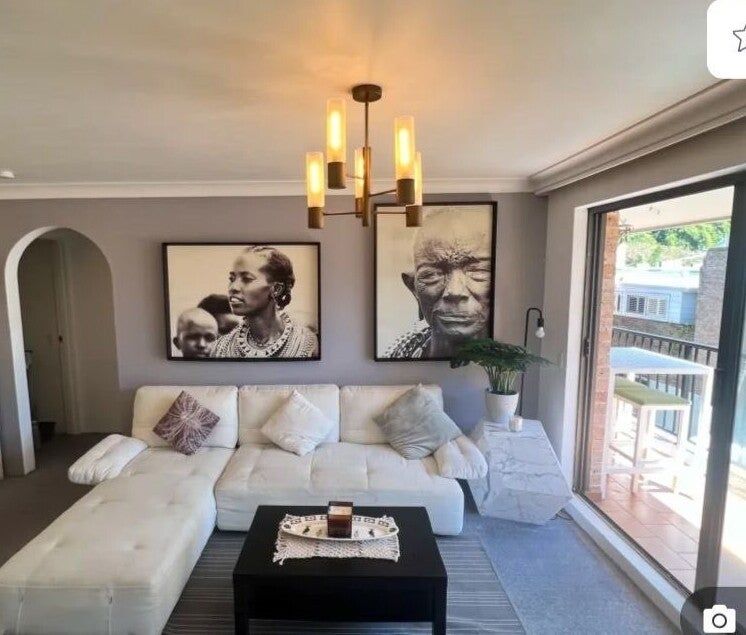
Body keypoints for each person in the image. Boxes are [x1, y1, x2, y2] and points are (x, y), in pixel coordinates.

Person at [385, 208, 492, 359]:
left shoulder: (505, 364)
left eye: (478, 271)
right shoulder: (399, 353)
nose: (455, 291)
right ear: (413, 288)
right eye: (433, 274)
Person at [212, 245, 318, 358]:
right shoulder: (219, 349)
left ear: (276, 289)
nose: (233, 287)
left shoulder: (309, 345)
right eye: (232, 279)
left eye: (247, 279)